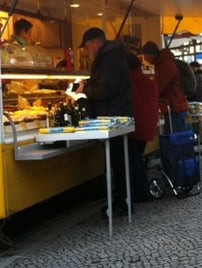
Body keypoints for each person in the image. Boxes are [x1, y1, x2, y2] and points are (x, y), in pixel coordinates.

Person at [75, 27, 133, 217]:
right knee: (118, 161)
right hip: (115, 115)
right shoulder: (112, 56)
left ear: (94, 42)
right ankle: (120, 201)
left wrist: (86, 90)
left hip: (112, 117)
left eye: (87, 46)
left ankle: (120, 203)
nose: (88, 51)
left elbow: (106, 90)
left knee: (117, 161)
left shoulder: (109, 59)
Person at [125, 52, 159, 203]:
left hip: (134, 126)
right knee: (136, 158)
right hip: (147, 125)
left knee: (133, 160)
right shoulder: (148, 81)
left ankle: (143, 192)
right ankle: (142, 190)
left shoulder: (128, 80)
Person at [141, 41, 190, 132]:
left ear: (151, 54)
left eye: (145, 56)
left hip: (175, 107)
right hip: (175, 107)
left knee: (176, 139)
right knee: (176, 137)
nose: (145, 59)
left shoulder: (165, 64)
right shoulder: (163, 63)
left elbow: (159, 87)